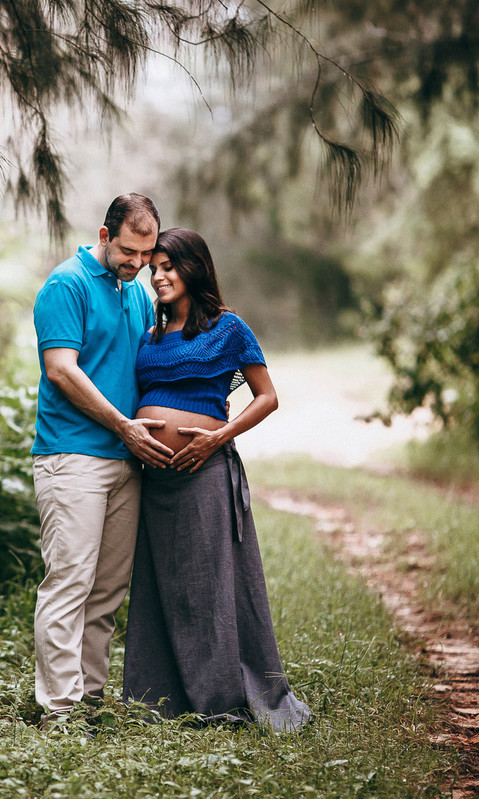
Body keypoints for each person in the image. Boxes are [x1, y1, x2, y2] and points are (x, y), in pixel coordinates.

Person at [122, 227, 312, 732]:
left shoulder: (228, 328)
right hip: (156, 483)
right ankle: (161, 699)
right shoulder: (151, 334)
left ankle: (221, 696)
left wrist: (218, 436)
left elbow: (267, 396)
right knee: (162, 588)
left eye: (168, 267)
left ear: (194, 268)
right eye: (154, 269)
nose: (158, 277)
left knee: (209, 588)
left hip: (204, 472)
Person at [31, 193, 176, 722]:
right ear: (104, 235)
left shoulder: (135, 293)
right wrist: (122, 426)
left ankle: (89, 700)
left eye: (146, 254)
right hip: (72, 458)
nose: (138, 263)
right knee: (69, 583)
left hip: (127, 462)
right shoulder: (65, 284)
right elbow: (61, 370)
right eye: (128, 251)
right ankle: (59, 711)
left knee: (109, 590)